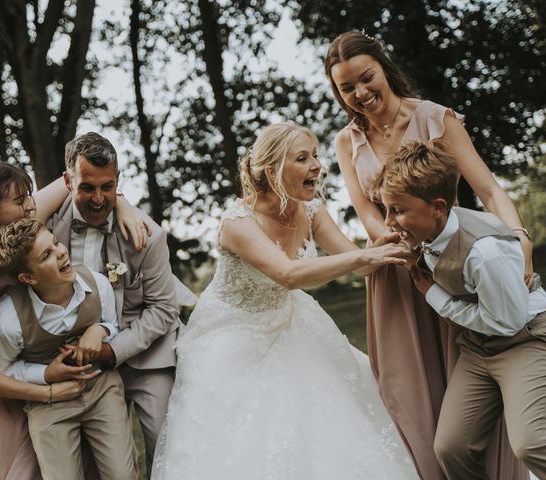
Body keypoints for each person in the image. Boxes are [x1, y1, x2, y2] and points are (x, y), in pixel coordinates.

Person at [151, 121, 418, 479]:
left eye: (316, 156)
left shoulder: (311, 210)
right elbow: (288, 275)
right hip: (233, 335)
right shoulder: (238, 223)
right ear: (273, 169)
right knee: (245, 437)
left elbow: (357, 264)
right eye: (302, 158)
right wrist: (364, 258)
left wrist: (390, 239)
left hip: (290, 320)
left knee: (327, 414)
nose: (317, 166)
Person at [325, 30, 531, 479]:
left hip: (453, 264)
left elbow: (489, 189)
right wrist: (395, 241)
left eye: (367, 78)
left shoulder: (435, 118)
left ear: (384, 68)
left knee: (469, 375)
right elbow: (365, 208)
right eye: (346, 88)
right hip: (395, 272)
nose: (360, 93)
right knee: (407, 390)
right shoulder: (346, 141)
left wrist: (519, 234)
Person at [0, 159, 147, 479]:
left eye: (29, 195)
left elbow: (79, 181)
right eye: (19, 199)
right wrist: (49, 391)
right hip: (11, 390)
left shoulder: (29, 221)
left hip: (77, 379)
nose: (30, 205)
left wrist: (123, 205)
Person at [372, 140, 546, 479]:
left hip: (523, 340)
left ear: (437, 207)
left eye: (398, 210)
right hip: (479, 348)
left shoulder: (486, 252)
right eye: (388, 210)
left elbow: (506, 323)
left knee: (532, 442)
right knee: (450, 447)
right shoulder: (426, 233)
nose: (390, 221)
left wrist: (436, 296)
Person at [45, 132, 187, 475]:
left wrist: (112, 350)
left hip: (147, 354)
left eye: (108, 187)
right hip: (80, 361)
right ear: (67, 181)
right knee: (96, 464)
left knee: (164, 445)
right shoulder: (47, 227)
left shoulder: (148, 235)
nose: (98, 199)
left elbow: (164, 310)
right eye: (87, 188)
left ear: (118, 181)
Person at [0, 218, 137, 479]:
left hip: (102, 389)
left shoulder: (98, 284)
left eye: (55, 242)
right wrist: (45, 376)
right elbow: (1, 370)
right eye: (47, 255)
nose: (61, 252)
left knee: (123, 475)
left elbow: (113, 324)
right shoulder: (9, 318)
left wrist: (99, 330)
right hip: (49, 404)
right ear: (28, 277)